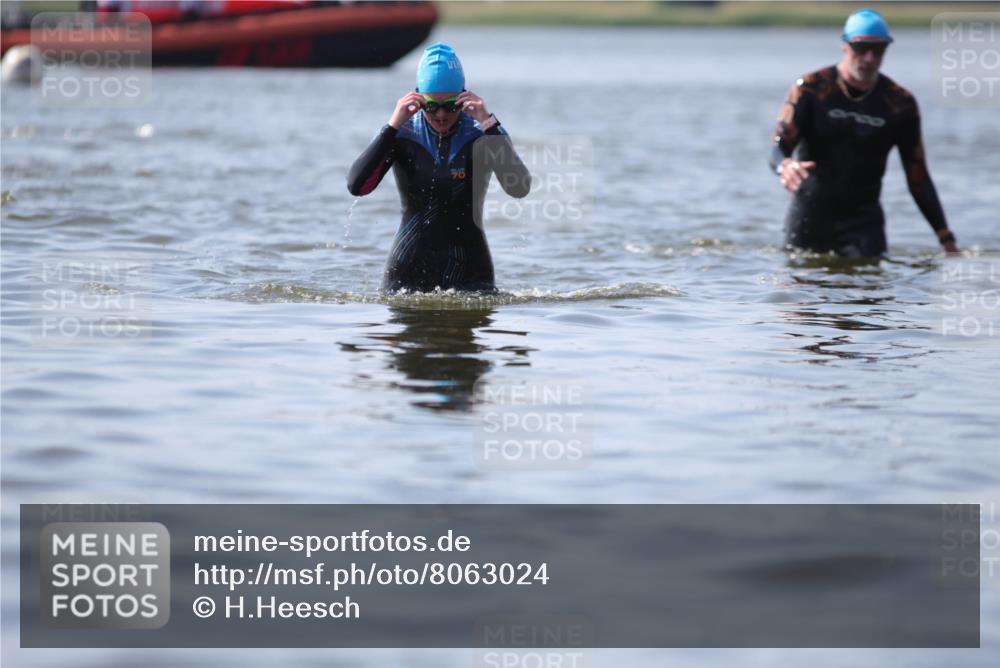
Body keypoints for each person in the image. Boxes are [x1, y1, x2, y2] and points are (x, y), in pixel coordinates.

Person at [769, 8, 959, 257]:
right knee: (803, 291)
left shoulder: (899, 104)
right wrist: (785, 165)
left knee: (868, 291)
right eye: (861, 49)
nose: (869, 58)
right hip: (809, 218)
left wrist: (945, 237)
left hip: (863, 224)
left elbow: (918, 177)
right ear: (845, 46)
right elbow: (777, 147)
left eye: (878, 50)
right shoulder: (810, 90)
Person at [347, 42, 531, 292]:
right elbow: (357, 186)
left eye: (451, 105)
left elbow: (519, 187)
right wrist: (390, 127)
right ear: (417, 98)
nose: (441, 115)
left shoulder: (482, 134)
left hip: (470, 271)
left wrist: (490, 124)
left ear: (465, 98)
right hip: (406, 272)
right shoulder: (402, 134)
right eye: (432, 105)